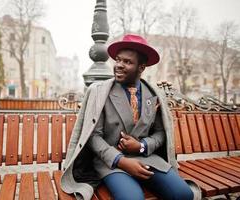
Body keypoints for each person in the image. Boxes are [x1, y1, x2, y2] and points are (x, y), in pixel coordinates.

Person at [61, 34, 200, 200]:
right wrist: (121, 161)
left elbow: (161, 133)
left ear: (141, 68)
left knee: (184, 194)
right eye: (118, 60)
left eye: (127, 62)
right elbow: (93, 137)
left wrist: (141, 146)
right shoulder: (100, 92)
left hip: (148, 158)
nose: (118, 65)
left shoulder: (154, 95)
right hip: (111, 163)